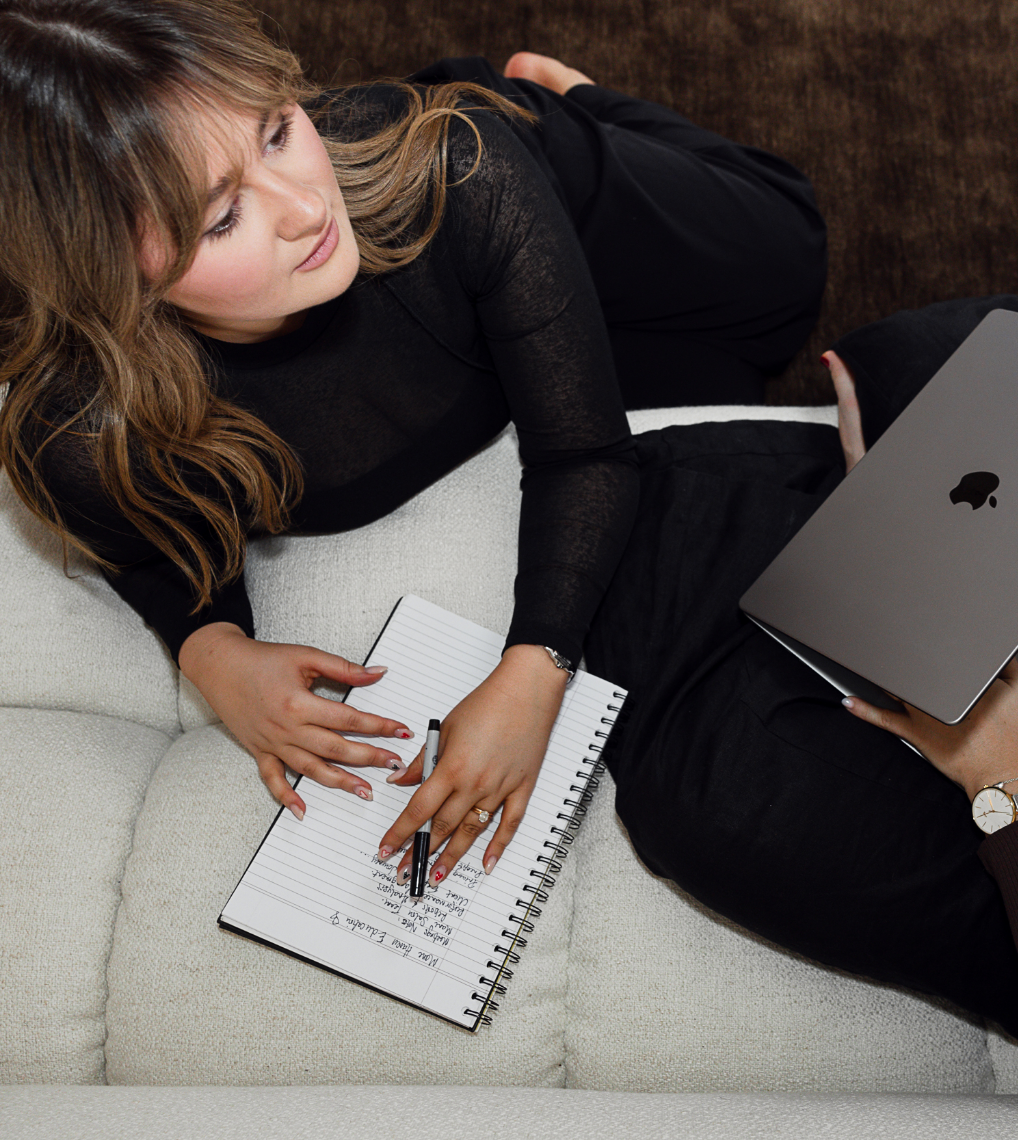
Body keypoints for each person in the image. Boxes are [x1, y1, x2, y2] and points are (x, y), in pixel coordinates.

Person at [382, 295, 1018, 1139]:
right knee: (978, 361)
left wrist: (1006, 793)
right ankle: (880, 512)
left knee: (713, 803)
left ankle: (839, 522)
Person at [0, 0, 824, 878]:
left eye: (278, 131)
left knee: (787, 272)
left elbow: (583, 454)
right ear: (110, 275)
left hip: (525, 180)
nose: (304, 208)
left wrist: (534, 671)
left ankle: (577, 102)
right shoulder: (78, 430)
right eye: (221, 218)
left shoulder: (461, 168)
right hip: (482, 280)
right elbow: (142, 546)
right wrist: (216, 652)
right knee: (716, 379)